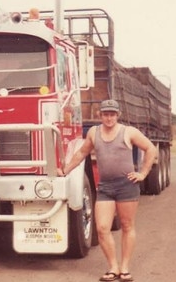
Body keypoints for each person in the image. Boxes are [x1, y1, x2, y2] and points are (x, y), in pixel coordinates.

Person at [58, 99, 157, 282]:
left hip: (126, 185)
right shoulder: (94, 133)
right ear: (100, 115)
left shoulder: (128, 132)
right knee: (103, 228)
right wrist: (65, 170)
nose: (109, 118)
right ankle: (113, 267)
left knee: (127, 226)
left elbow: (150, 148)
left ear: (118, 115)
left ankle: (125, 268)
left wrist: (143, 173)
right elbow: (81, 153)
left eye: (112, 114)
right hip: (105, 187)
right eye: (105, 114)